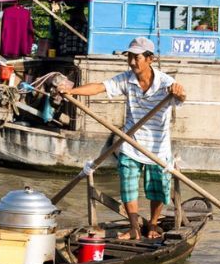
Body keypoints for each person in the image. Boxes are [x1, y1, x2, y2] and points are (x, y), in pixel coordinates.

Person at [57, 37, 187, 240]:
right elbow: (99, 87)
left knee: (157, 190)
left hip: (157, 147)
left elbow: (180, 97)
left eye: (137, 58)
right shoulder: (127, 79)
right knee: (128, 187)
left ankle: (153, 224)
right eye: (130, 57)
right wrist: (71, 91)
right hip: (131, 143)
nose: (133, 62)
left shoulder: (165, 83)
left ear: (150, 59)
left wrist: (178, 93)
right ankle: (134, 227)